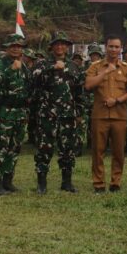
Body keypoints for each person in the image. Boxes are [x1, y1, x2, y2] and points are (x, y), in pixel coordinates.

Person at [33, 31, 84, 194]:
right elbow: (34, 82)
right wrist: (52, 68)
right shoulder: (42, 64)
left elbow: (79, 92)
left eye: (63, 44)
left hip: (68, 115)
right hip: (48, 113)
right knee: (44, 148)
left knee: (68, 149)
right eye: (57, 44)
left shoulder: (74, 66)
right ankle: (42, 183)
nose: (60, 47)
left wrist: (79, 113)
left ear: (68, 47)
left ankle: (66, 182)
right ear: (52, 47)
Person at [84, 35, 127, 193]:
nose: (114, 49)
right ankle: (98, 183)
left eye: (117, 47)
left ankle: (116, 182)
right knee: (98, 151)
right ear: (105, 47)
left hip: (119, 115)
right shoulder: (95, 66)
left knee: (118, 151)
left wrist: (118, 100)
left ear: (120, 49)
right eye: (111, 46)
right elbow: (88, 85)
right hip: (100, 115)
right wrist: (106, 71)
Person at [0, 34, 32, 195]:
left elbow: (28, 85)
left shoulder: (24, 66)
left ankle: (8, 180)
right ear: (7, 48)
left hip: (20, 112)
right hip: (5, 111)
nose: (16, 48)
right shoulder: (0, 64)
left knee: (15, 147)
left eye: (19, 46)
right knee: (1, 146)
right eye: (13, 46)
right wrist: (10, 70)